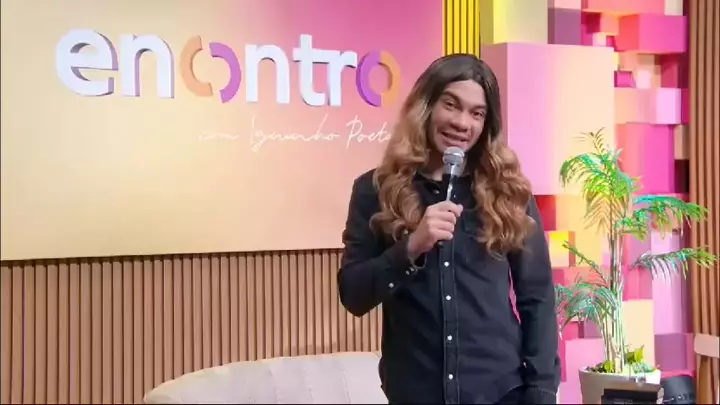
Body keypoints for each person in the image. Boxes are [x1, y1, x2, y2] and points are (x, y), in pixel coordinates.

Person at [337, 54, 560, 404]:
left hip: (502, 393)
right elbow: (353, 294)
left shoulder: (508, 192)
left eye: (477, 113)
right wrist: (411, 247)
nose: (461, 123)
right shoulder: (375, 190)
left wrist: (542, 391)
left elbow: (538, 299)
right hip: (415, 393)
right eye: (451, 105)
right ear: (425, 106)